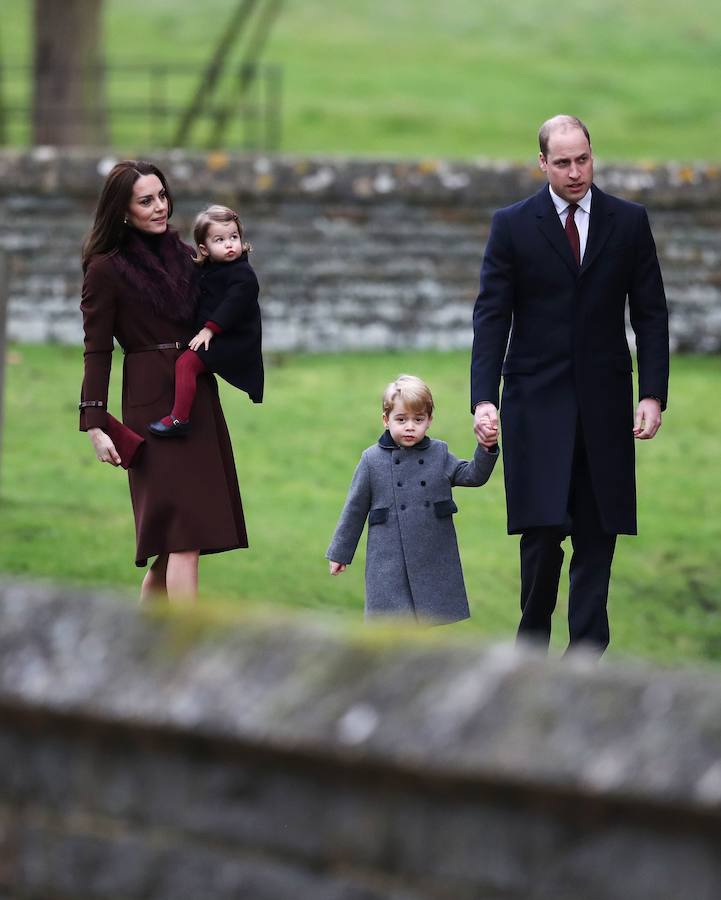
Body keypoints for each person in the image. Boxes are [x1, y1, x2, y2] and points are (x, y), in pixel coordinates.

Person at [471, 115, 669, 655]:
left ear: (592, 155)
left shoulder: (628, 222)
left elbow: (650, 313)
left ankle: (586, 656)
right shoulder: (512, 225)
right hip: (534, 402)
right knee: (541, 532)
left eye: (583, 159)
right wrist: (483, 398)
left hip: (606, 404)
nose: (576, 171)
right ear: (542, 163)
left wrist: (651, 393)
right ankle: (531, 647)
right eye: (562, 162)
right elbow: (492, 315)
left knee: (597, 533)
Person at [79, 160, 248, 602]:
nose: (160, 207)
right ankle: (184, 652)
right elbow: (97, 350)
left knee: (178, 540)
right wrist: (95, 424)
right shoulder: (105, 269)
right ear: (122, 210)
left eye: (162, 196)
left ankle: (143, 643)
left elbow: (229, 298)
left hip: (195, 397)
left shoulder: (186, 254)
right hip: (151, 405)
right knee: (181, 535)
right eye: (146, 200)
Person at [327, 374, 498, 624]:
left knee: (426, 622)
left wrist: (486, 448)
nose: (409, 426)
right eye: (401, 419)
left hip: (432, 553)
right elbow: (354, 509)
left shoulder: (439, 453)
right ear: (386, 420)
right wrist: (340, 553)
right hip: (388, 558)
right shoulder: (371, 460)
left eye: (418, 420)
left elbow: (473, 476)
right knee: (390, 626)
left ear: (429, 421)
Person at [148, 204, 263, 437]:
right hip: (218, 335)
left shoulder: (243, 275)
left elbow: (232, 305)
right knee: (184, 362)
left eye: (234, 237)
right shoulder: (210, 269)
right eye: (219, 240)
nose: (229, 244)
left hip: (233, 340)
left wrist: (209, 330)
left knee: (186, 364)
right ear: (205, 248)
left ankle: (180, 419)